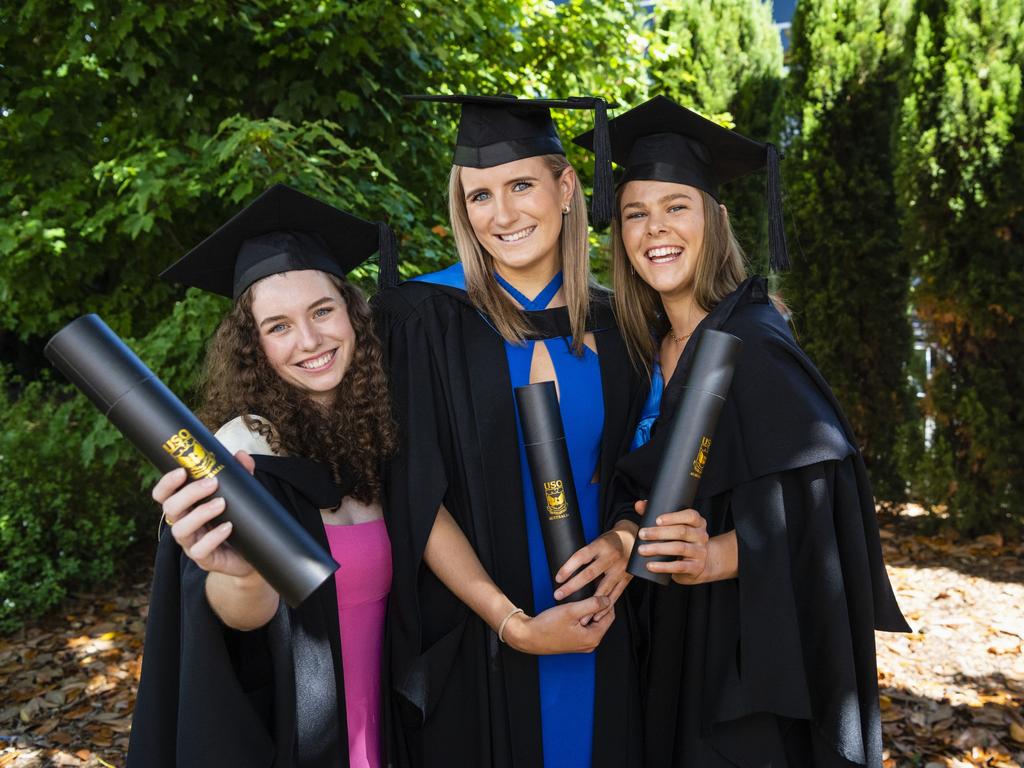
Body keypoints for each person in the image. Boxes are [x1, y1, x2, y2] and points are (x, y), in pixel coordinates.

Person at [574, 95, 911, 767]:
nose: (653, 229)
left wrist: (722, 554)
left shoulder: (752, 342)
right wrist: (622, 533)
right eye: (635, 212)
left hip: (740, 656)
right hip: (658, 639)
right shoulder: (641, 349)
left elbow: (830, 507)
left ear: (715, 220)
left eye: (677, 206)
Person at [373, 94, 646, 767]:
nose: (501, 214)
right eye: (479, 196)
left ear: (566, 188)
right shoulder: (421, 319)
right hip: (477, 643)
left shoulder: (627, 328)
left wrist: (625, 538)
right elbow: (412, 491)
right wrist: (511, 624)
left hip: (607, 631)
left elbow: (649, 467)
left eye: (521, 185)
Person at [127, 183, 399, 768]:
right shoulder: (239, 454)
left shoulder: (384, 434)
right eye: (277, 326)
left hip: (393, 730)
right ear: (253, 346)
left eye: (322, 311)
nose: (309, 340)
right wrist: (245, 572)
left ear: (352, 313)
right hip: (300, 737)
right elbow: (232, 616)